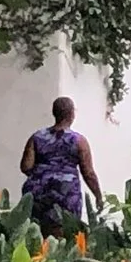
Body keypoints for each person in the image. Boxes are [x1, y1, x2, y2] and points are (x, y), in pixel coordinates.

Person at [20, 97, 101, 231]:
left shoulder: (37, 137)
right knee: (65, 234)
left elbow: (26, 167)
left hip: (38, 194)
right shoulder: (79, 141)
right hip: (67, 195)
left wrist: (43, 175)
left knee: (37, 234)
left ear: (54, 113)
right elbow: (88, 173)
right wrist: (98, 195)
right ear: (72, 114)